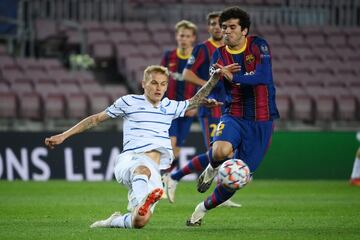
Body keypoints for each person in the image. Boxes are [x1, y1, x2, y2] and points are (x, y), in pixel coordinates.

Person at [44, 65, 233, 229]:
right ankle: (145, 199)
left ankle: (113, 221)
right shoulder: (129, 102)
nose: (158, 88)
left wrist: (214, 78)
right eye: (153, 83)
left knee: (139, 221)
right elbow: (95, 119)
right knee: (141, 170)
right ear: (144, 84)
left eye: (163, 84)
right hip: (131, 160)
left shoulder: (169, 106)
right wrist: (64, 135)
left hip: (155, 170)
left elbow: (196, 100)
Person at [186, 6, 280, 226]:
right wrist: (211, 96)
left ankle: (201, 209)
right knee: (220, 150)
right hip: (234, 112)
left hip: (262, 119)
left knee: (238, 179)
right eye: (224, 27)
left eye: (232, 27)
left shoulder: (258, 45)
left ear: (244, 30)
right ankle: (212, 167)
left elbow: (263, 76)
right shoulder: (219, 54)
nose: (226, 31)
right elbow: (217, 83)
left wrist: (234, 78)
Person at [163, 12, 240, 208]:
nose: (217, 28)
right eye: (214, 24)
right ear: (209, 27)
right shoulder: (203, 49)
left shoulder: (229, 49)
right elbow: (187, 74)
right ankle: (174, 177)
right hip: (210, 106)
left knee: (225, 153)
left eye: (221, 24)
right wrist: (209, 85)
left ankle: (219, 193)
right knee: (215, 152)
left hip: (228, 105)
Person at [160, 20, 198, 173]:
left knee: (177, 148)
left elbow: (205, 84)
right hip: (170, 108)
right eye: (181, 35)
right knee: (171, 142)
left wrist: (196, 106)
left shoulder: (197, 59)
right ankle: (163, 176)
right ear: (177, 36)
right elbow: (160, 78)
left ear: (193, 38)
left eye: (187, 36)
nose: (184, 39)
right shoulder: (169, 56)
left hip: (188, 109)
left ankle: (167, 176)